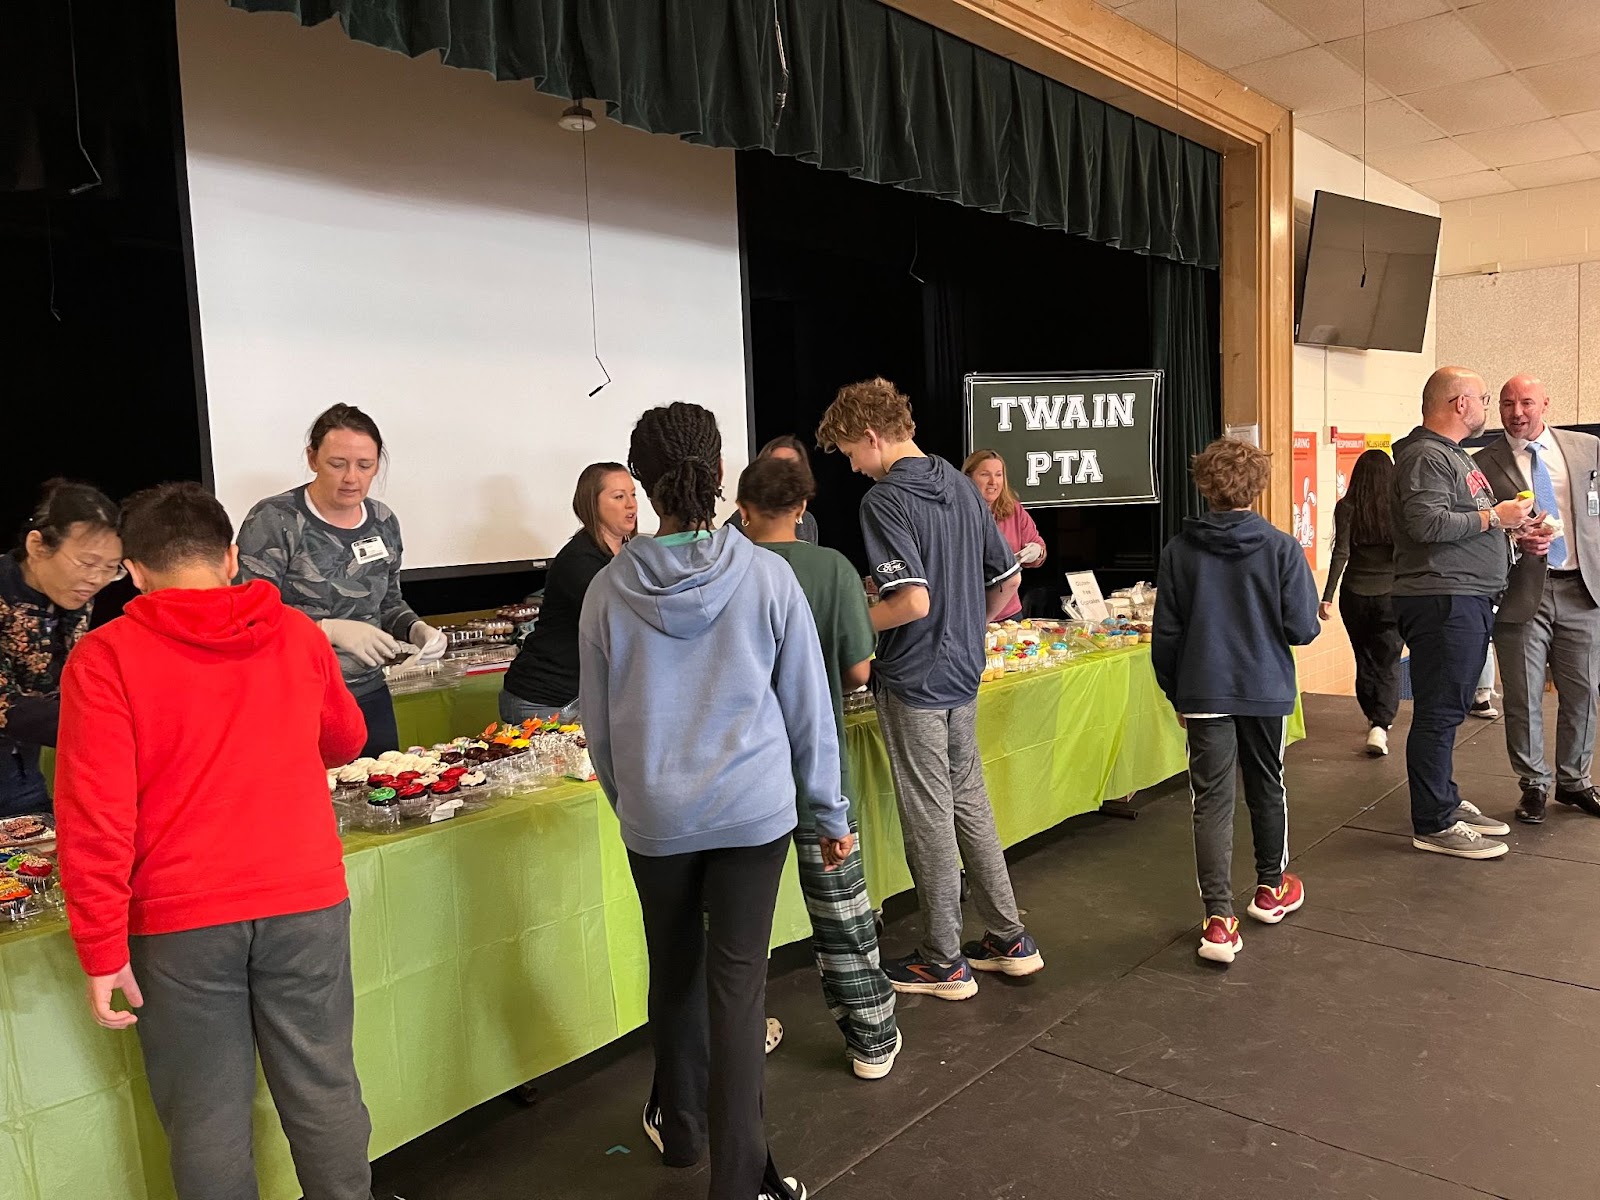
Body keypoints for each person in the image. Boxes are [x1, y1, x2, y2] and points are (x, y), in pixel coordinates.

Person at [54, 482, 373, 1200]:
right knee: (324, 1087)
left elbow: (95, 819)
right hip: (305, 900)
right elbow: (346, 738)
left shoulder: (105, 658)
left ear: (133, 570)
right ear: (232, 557)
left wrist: (102, 950)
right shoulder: (295, 633)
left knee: (205, 1114)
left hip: (179, 921)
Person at [579, 402, 847, 1200]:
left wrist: (639, 802)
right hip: (752, 815)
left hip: (657, 818)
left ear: (644, 484)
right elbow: (807, 705)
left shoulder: (605, 592)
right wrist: (829, 811)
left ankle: (680, 1131)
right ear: (720, 471)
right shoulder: (768, 576)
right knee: (738, 988)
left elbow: (598, 730)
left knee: (673, 973)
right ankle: (743, 1185)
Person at [816, 377, 1043, 999]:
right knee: (967, 797)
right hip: (962, 670)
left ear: (870, 436)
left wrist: (849, 623)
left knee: (929, 812)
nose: (854, 468)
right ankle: (1007, 937)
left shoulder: (886, 501)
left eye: (850, 453)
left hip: (914, 676)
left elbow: (910, 601)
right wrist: (967, 625)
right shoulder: (960, 485)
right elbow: (1004, 578)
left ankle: (943, 957)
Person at [735, 454, 900, 1080]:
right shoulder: (831, 568)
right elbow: (859, 671)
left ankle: (738, 1038)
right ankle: (871, 1040)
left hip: (745, 781)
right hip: (817, 779)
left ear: (744, 510)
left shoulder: (734, 571)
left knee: (735, 936)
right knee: (843, 918)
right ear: (802, 508)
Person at [1152, 438, 1320, 964]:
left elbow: (1167, 636)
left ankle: (1219, 919)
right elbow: (1301, 628)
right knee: (1268, 785)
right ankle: (1271, 887)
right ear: (1259, 486)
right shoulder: (1282, 549)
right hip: (1265, 689)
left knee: (1211, 801)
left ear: (1204, 484)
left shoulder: (1179, 552)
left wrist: (1174, 691)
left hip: (1202, 688)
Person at [236, 404, 445, 758]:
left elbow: (389, 602)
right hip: (297, 698)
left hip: (368, 695)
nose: (352, 477)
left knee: (381, 796)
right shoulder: (274, 519)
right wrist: (326, 630)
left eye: (365, 466)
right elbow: (249, 617)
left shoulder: (382, 520)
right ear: (312, 458)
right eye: (338, 464)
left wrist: (416, 630)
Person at [1391, 365, 1533, 860]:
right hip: (1443, 599)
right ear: (1459, 404)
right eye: (1483, 398)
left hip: (1460, 596)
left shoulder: (1450, 456)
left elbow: (1460, 522)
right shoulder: (1427, 456)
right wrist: (1496, 516)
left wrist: (1510, 532)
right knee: (1439, 713)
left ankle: (1444, 803)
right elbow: (1426, 523)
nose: (1487, 406)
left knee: (1446, 712)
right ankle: (1432, 822)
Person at [1473, 374, 1600, 825]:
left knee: (1584, 691)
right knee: (1522, 695)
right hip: (1519, 590)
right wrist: (1512, 538)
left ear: (1546, 402)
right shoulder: (1482, 464)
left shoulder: (1586, 449)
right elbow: (1476, 527)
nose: (1517, 413)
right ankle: (1534, 783)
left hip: (1582, 588)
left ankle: (1575, 780)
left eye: (1526, 402)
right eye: (1507, 404)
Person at [0, 480, 121, 818]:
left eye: (111, 568)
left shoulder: (73, 597)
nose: (97, 578)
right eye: (87, 563)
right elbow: (5, 705)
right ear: (38, 546)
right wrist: (114, 728)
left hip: (22, 774)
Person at [500, 463, 637, 724]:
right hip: (546, 699)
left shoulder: (629, 554)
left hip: (583, 696)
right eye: (619, 497)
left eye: (633, 495)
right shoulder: (579, 560)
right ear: (592, 504)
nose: (631, 505)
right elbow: (620, 623)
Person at [1319, 449, 1400, 757]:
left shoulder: (1346, 507)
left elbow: (1340, 553)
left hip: (1354, 595)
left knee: (1363, 657)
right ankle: (1380, 724)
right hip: (1391, 596)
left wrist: (1327, 596)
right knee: (1388, 660)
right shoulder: (1398, 507)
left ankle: (1372, 715)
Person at [962, 449, 1045, 621]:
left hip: (1009, 614)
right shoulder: (955, 513)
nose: (993, 482)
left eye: (998, 475)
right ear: (968, 477)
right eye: (985, 474)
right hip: (968, 614)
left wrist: (1036, 552)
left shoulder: (1013, 510)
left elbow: (1040, 550)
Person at [724, 435, 820, 543]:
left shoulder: (808, 521)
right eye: (776, 465)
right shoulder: (737, 521)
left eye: (791, 467)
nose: (784, 473)